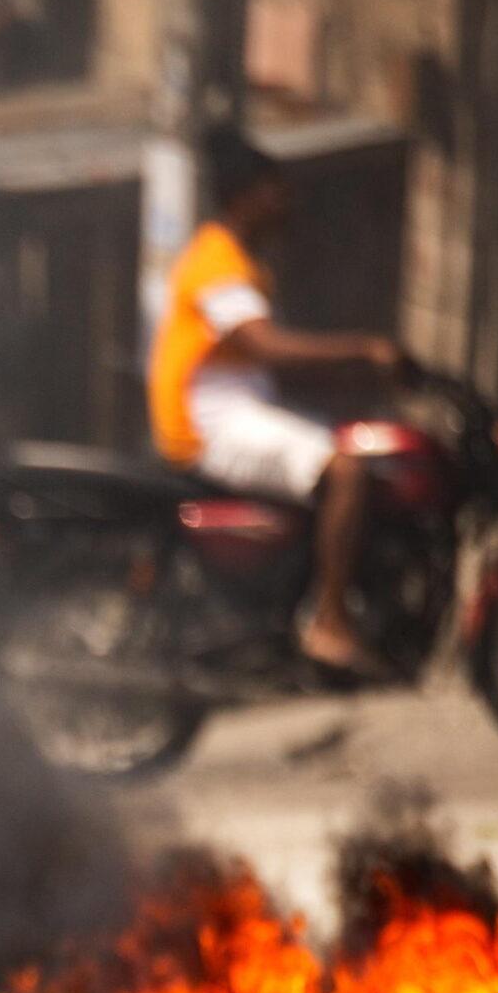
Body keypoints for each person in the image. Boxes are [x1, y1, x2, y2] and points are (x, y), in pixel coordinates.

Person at [148, 126, 406, 675]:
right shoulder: (217, 262)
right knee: (345, 469)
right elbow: (262, 345)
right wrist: (360, 351)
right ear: (245, 196)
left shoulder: (239, 263)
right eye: (274, 190)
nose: (285, 202)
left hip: (237, 411)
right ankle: (329, 622)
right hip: (208, 425)